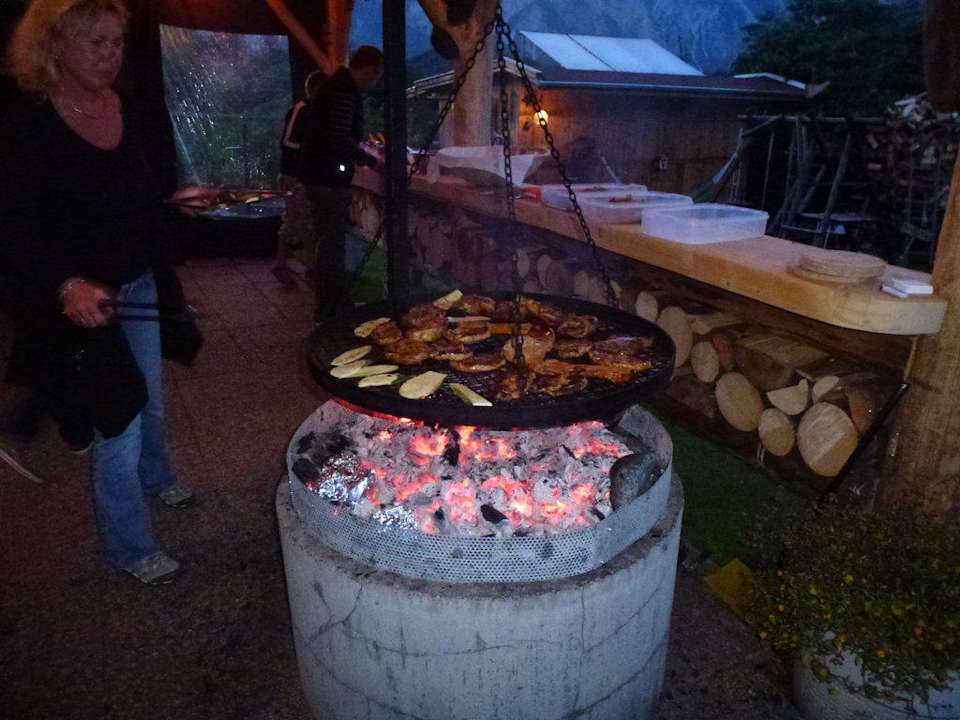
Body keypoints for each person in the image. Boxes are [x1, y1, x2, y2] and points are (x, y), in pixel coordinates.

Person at [0, 0, 194, 585]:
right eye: (95, 42)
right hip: (75, 301)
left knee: (153, 398)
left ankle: (157, 477)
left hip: (136, 278)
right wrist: (65, 282)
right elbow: (11, 222)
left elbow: (137, 188)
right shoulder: (27, 119)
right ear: (54, 44)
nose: (110, 55)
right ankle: (129, 548)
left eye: (115, 41)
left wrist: (173, 201)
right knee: (120, 420)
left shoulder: (125, 105)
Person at [298, 45, 384, 323]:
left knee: (329, 242)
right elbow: (338, 137)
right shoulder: (343, 91)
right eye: (375, 74)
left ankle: (333, 304)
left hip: (317, 175)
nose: (375, 81)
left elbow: (336, 134)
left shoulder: (334, 87)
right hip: (326, 178)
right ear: (369, 68)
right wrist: (372, 161)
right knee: (332, 244)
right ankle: (330, 310)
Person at [273, 68, 328, 288]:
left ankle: (312, 269)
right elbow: (286, 142)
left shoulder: (314, 111)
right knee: (294, 221)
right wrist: (313, 150)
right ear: (315, 89)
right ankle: (281, 265)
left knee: (307, 222)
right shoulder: (302, 109)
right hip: (293, 175)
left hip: (305, 175)